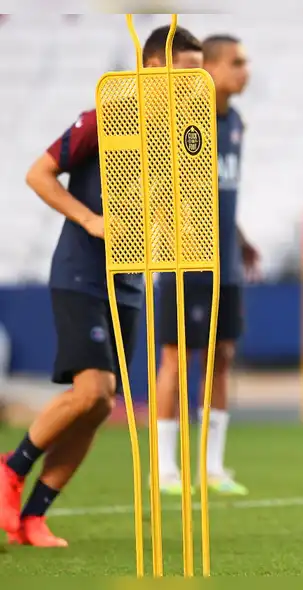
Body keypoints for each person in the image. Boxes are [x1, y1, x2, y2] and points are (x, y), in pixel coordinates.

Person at [0, 26, 203, 547]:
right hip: (81, 273)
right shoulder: (104, 119)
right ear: (156, 68)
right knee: (91, 389)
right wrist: (91, 219)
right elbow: (38, 174)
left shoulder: (180, 136)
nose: (195, 84)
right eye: (187, 72)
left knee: (100, 401)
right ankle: (10, 468)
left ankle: (34, 517)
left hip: (131, 281)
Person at [154, 34, 257, 497]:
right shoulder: (184, 122)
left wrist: (240, 240)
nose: (245, 70)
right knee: (177, 358)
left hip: (227, 262)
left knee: (222, 358)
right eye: (236, 62)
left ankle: (212, 468)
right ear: (210, 68)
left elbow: (219, 192)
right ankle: (165, 468)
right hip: (186, 260)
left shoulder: (234, 122)